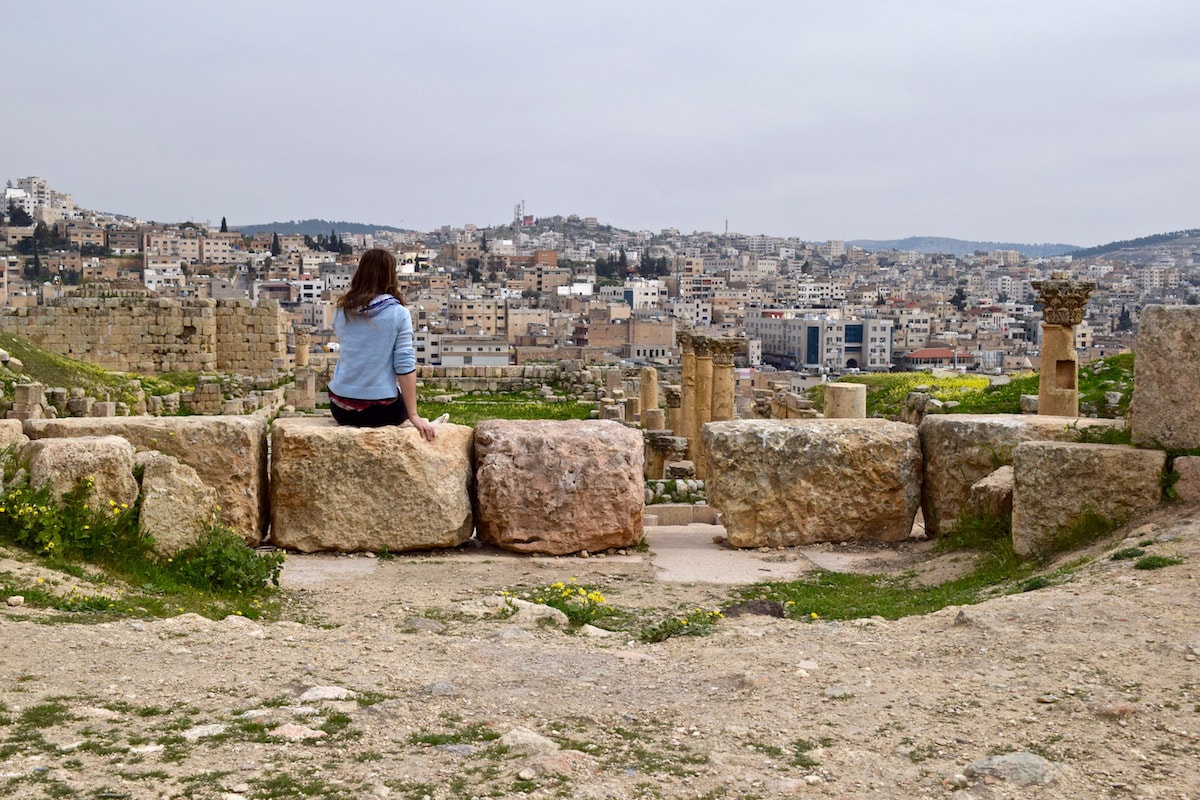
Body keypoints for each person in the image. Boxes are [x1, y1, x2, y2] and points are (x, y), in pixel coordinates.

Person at [326, 249, 436, 440]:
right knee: (397, 396)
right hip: (380, 412)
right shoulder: (398, 313)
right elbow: (404, 366)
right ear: (390, 275)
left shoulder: (341, 311)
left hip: (341, 408)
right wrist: (413, 415)